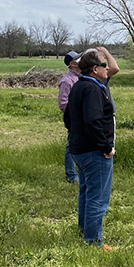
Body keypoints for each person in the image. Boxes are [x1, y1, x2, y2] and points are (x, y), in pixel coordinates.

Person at [65, 47, 119, 248]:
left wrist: (76, 136)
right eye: (104, 65)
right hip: (94, 152)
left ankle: (84, 231)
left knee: (86, 192)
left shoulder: (78, 86)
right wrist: (106, 146)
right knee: (98, 197)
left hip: (78, 149)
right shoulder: (93, 89)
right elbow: (93, 122)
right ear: (95, 69)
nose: (108, 69)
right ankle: (94, 241)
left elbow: (67, 118)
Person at [58, 50, 82, 182]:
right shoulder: (67, 81)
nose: (81, 59)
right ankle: (71, 175)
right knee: (71, 146)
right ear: (72, 64)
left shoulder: (81, 77)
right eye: (78, 58)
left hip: (82, 118)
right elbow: (63, 104)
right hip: (74, 119)